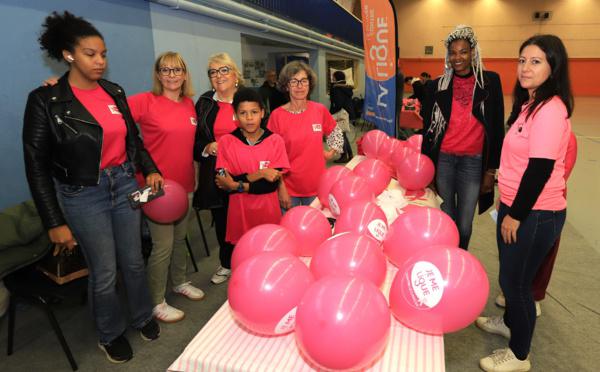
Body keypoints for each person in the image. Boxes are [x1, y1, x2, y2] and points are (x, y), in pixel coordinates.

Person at [23, 11, 161, 363]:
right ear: (68, 54)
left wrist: (150, 169)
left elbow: (134, 140)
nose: (100, 61)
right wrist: (54, 222)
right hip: (84, 194)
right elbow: (36, 167)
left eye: (103, 54)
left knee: (133, 261)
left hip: (125, 183)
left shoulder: (114, 92)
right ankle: (109, 332)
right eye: (90, 54)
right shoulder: (47, 101)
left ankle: (142, 315)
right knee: (105, 271)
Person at [476, 34, 573, 372]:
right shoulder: (530, 104)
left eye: (536, 62)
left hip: (534, 212)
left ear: (553, 67)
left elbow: (540, 169)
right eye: (522, 60)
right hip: (516, 206)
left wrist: (515, 215)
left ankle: (519, 355)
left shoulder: (550, 110)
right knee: (509, 278)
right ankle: (511, 323)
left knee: (518, 285)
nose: (525, 68)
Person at [128, 52, 205, 323]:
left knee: (181, 238)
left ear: (185, 75)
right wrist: (65, 88)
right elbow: (109, 113)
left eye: (177, 70)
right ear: (158, 75)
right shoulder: (145, 101)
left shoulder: (188, 105)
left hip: (184, 185)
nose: (172, 75)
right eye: (166, 70)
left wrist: (194, 176)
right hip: (157, 189)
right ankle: (156, 301)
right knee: (162, 245)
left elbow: (189, 147)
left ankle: (179, 281)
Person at [421, 25, 505, 250]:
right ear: (447, 56)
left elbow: (497, 129)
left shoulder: (490, 82)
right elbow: (428, 130)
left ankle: (461, 256)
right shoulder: (436, 86)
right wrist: (428, 168)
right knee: (447, 219)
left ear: (473, 52)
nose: (457, 57)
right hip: (444, 161)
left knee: (465, 225)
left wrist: (490, 170)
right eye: (453, 52)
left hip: (473, 162)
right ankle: (450, 258)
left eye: (463, 51)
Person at [215, 88, 290, 243]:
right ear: (235, 115)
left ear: (262, 113)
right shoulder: (226, 142)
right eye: (243, 113)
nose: (249, 118)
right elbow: (223, 180)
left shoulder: (275, 141)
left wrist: (236, 185)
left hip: (268, 213)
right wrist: (261, 173)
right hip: (240, 214)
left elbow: (269, 186)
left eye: (254, 112)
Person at [267, 61, 344, 209]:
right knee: (291, 230)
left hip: (318, 186)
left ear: (309, 84)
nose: (299, 86)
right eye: (294, 81)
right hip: (289, 189)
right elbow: (272, 158)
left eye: (303, 81)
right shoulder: (277, 116)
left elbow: (335, 131)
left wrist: (330, 153)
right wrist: (280, 187)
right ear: (286, 85)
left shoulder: (319, 110)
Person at [193, 52, 242, 284]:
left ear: (235, 74)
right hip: (217, 171)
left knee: (247, 218)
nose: (218, 75)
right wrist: (207, 147)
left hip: (246, 170)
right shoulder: (204, 102)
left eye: (224, 70)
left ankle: (250, 261)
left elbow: (266, 134)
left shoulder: (249, 98)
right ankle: (226, 263)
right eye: (213, 72)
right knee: (222, 219)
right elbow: (194, 140)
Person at [329, 70, 355, 163]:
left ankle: (344, 156)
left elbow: (338, 103)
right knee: (343, 135)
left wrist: (332, 113)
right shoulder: (346, 87)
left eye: (333, 76)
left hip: (339, 113)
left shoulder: (336, 88)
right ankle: (350, 155)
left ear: (336, 78)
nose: (332, 78)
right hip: (347, 113)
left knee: (340, 136)